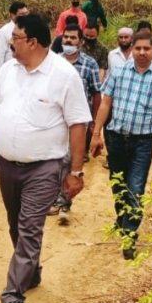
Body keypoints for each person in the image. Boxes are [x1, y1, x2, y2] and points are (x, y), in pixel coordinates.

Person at [0, 13, 90, 303]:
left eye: (16, 38)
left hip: (45, 167)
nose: (10, 42)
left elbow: (78, 123)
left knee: (30, 229)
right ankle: (30, 270)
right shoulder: (8, 70)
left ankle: (12, 296)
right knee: (15, 227)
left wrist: (76, 171)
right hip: (7, 165)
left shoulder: (64, 75)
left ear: (32, 42)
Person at [91, 31, 152, 260]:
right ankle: (122, 218)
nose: (142, 53)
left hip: (142, 142)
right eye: (138, 48)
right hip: (115, 137)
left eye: (147, 49)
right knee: (118, 183)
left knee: (135, 187)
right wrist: (96, 133)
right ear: (132, 50)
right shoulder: (118, 73)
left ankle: (129, 235)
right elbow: (105, 103)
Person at [50, 24, 101, 226]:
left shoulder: (90, 64)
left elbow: (97, 94)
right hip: (54, 120)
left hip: (77, 121)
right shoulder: (53, 62)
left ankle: (65, 204)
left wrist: (94, 122)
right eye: (65, 38)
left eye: (73, 38)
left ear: (80, 41)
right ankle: (55, 199)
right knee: (55, 161)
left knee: (71, 162)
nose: (69, 41)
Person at [0, 1, 29, 72]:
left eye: (26, 14)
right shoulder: (4, 31)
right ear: (12, 15)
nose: (25, 17)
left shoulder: (31, 28)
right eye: (22, 14)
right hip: (10, 71)